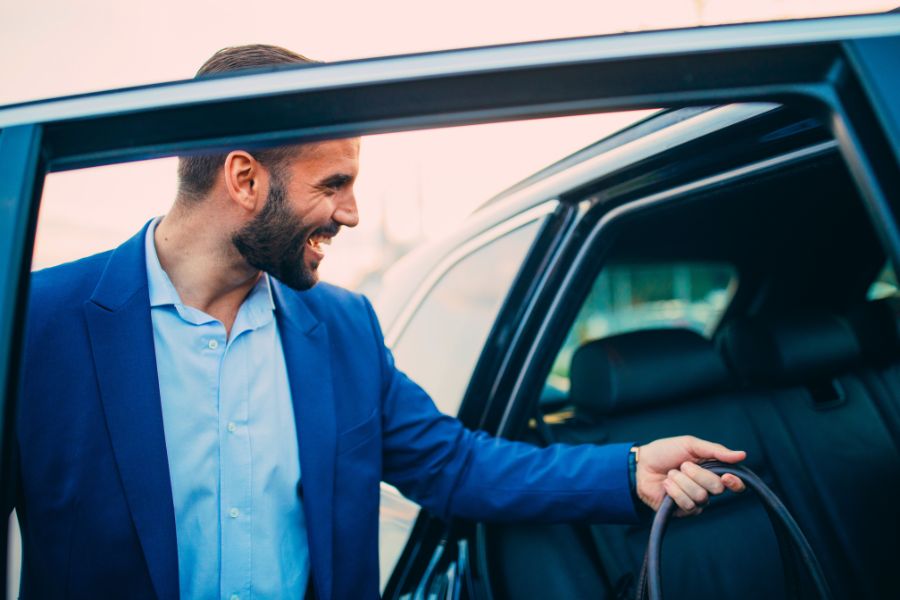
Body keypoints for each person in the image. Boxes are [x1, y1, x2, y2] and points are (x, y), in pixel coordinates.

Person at [16, 45, 747, 600]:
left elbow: (453, 464)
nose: (351, 213)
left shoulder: (342, 329)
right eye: (333, 184)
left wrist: (626, 472)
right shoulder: (35, 325)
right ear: (244, 180)